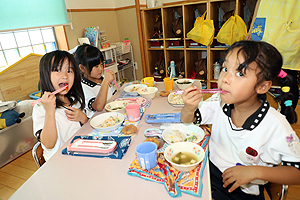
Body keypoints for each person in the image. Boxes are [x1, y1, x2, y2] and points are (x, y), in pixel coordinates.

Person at [180, 40, 300, 200]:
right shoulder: (218, 102)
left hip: (244, 192)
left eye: (240, 73)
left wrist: (255, 171)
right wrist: (189, 107)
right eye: (224, 68)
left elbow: (297, 173)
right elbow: (188, 120)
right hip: (210, 175)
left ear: (262, 86)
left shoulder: (275, 125)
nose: (224, 79)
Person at [33, 50, 88, 161]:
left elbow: (86, 129)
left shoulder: (73, 100)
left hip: (81, 153)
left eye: (69, 71)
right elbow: (49, 144)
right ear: (45, 75)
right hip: (59, 162)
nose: (65, 76)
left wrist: (84, 119)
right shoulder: (40, 108)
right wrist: (49, 111)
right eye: (57, 70)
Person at [75, 44, 116, 118]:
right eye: (96, 66)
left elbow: (114, 95)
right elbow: (98, 107)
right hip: (98, 121)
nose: (100, 69)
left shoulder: (102, 78)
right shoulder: (83, 87)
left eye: (101, 64)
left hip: (112, 115)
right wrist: (105, 82)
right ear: (82, 68)